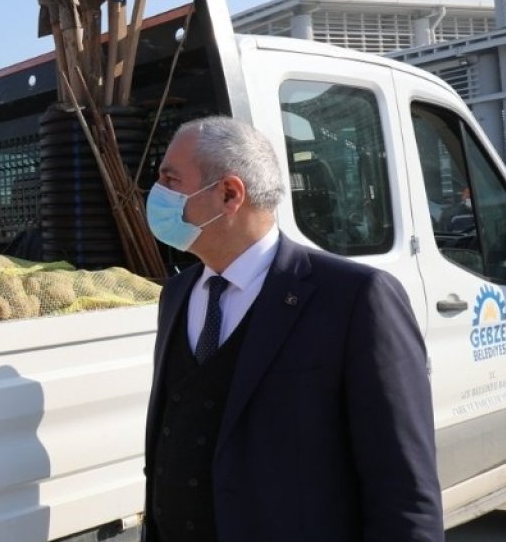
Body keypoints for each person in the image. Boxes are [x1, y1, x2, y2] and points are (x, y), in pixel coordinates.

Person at [142, 116, 442, 541]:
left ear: (229, 194)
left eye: (170, 180)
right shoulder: (177, 294)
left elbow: (403, 486)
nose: (157, 195)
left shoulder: (354, 298)